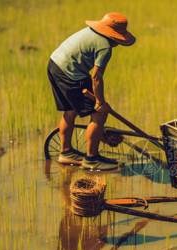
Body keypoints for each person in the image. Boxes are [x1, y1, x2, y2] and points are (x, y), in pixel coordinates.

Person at [47, 12, 135, 170]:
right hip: (71, 73)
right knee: (100, 114)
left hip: (54, 65)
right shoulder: (105, 47)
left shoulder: (89, 32)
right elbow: (96, 77)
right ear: (115, 37)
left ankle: (65, 153)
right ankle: (92, 159)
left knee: (70, 110)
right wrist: (100, 103)